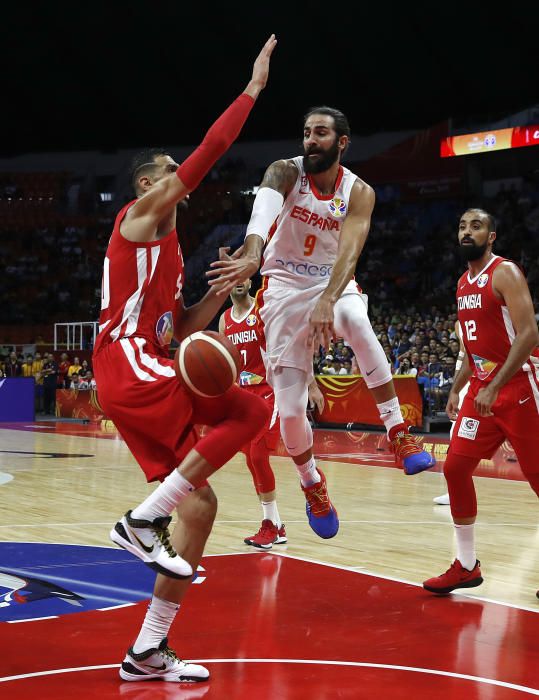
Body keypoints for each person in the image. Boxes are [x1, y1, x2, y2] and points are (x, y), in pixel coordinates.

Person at [92, 35, 277, 684]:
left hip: (141, 366)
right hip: (125, 364)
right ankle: (143, 521)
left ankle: (148, 649)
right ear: (149, 183)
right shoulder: (139, 218)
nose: (181, 180)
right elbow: (213, 150)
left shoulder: (169, 252)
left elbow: (181, 329)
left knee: (197, 509)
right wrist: (252, 88)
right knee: (250, 408)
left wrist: (214, 296)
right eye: (168, 171)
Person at [207, 105, 435, 541]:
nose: (311, 140)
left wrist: (329, 299)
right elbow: (262, 217)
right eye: (307, 132)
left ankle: (398, 431)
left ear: (342, 142)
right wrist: (253, 252)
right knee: (291, 412)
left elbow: (351, 251)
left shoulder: (360, 191)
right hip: (283, 289)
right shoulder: (285, 172)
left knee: (354, 316)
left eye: (322, 133)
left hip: (334, 281)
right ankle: (312, 482)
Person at [423, 208, 539, 595]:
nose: (467, 232)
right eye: (461, 226)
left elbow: (528, 335)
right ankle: (467, 565)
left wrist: (493, 386)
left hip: (519, 387)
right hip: (482, 389)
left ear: (491, 236)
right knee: (455, 469)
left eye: (476, 226)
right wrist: (459, 387)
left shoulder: (504, 272)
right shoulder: (461, 283)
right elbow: (473, 350)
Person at [219, 279, 325, 549]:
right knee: (251, 461)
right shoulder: (224, 320)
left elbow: (294, 345)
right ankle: (276, 525)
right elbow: (227, 364)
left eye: (244, 276)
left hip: (270, 389)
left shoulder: (262, 310)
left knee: (258, 453)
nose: (239, 282)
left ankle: (270, 524)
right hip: (243, 396)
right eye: (234, 278)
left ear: (249, 280)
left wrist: (311, 384)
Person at [433, 320, 468, 506]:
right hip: (469, 380)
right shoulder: (460, 323)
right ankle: (454, 491)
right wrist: (455, 388)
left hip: (488, 376)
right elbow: (465, 353)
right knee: (456, 433)